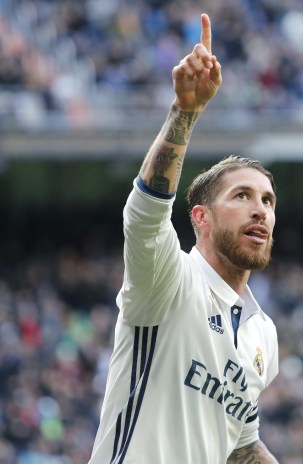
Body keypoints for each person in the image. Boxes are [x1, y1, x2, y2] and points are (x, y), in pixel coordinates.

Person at [89, 13, 280, 463]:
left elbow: (242, 445)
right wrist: (186, 111)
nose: (261, 210)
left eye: (269, 201)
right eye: (243, 196)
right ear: (201, 218)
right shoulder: (169, 280)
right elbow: (144, 214)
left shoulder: (263, 334)